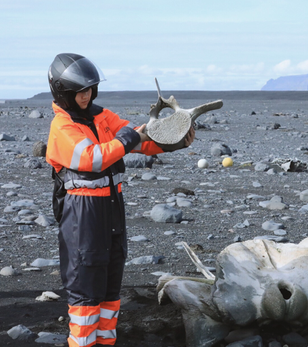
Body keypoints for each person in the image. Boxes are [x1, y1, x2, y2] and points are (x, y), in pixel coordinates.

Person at [45, 53, 194, 347]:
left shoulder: (102, 117)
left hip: (111, 211)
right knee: (86, 292)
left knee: (110, 290)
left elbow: (140, 139)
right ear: (64, 93)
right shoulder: (61, 127)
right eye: (80, 92)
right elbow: (94, 158)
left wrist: (173, 141)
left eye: (89, 89)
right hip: (82, 216)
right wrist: (127, 138)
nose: (86, 96)